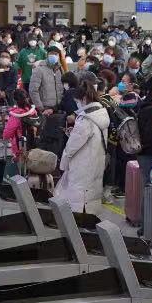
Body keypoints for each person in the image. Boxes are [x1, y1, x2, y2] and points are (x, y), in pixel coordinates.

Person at [53, 81, 110, 214]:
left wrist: (63, 164)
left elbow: (72, 147)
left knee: (77, 200)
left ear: (83, 99)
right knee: (90, 196)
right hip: (96, 161)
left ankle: (77, 222)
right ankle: (89, 219)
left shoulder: (85, 119)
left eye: (77, 101)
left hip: (81, 165)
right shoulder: (101, 113)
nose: (77, 104)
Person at [29, 45, 65, 112]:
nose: (53, 56)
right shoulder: (39, 69)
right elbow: (33, 90)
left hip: (58, 107)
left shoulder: (59, 69)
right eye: (51, 53)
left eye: (56, 54)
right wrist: (41, 108)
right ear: (47, 55)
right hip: (45, 108)